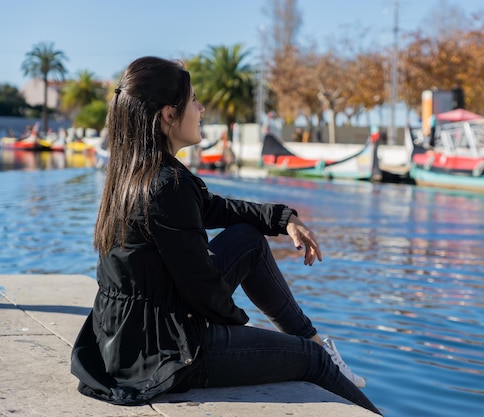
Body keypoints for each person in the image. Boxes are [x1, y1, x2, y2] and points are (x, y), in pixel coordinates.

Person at [70, 56, 381, 415]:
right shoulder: (166, 187)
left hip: (127, 336)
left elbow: (217, 209)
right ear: (169, 116)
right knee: (311, 360)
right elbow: (206, 295)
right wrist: (241, 332)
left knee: (248, 237)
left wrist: (283, 219)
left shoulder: (137, 170)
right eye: (193, 100)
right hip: (161, 352)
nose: (201, 108)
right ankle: (327, 361)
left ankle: (312, 338)